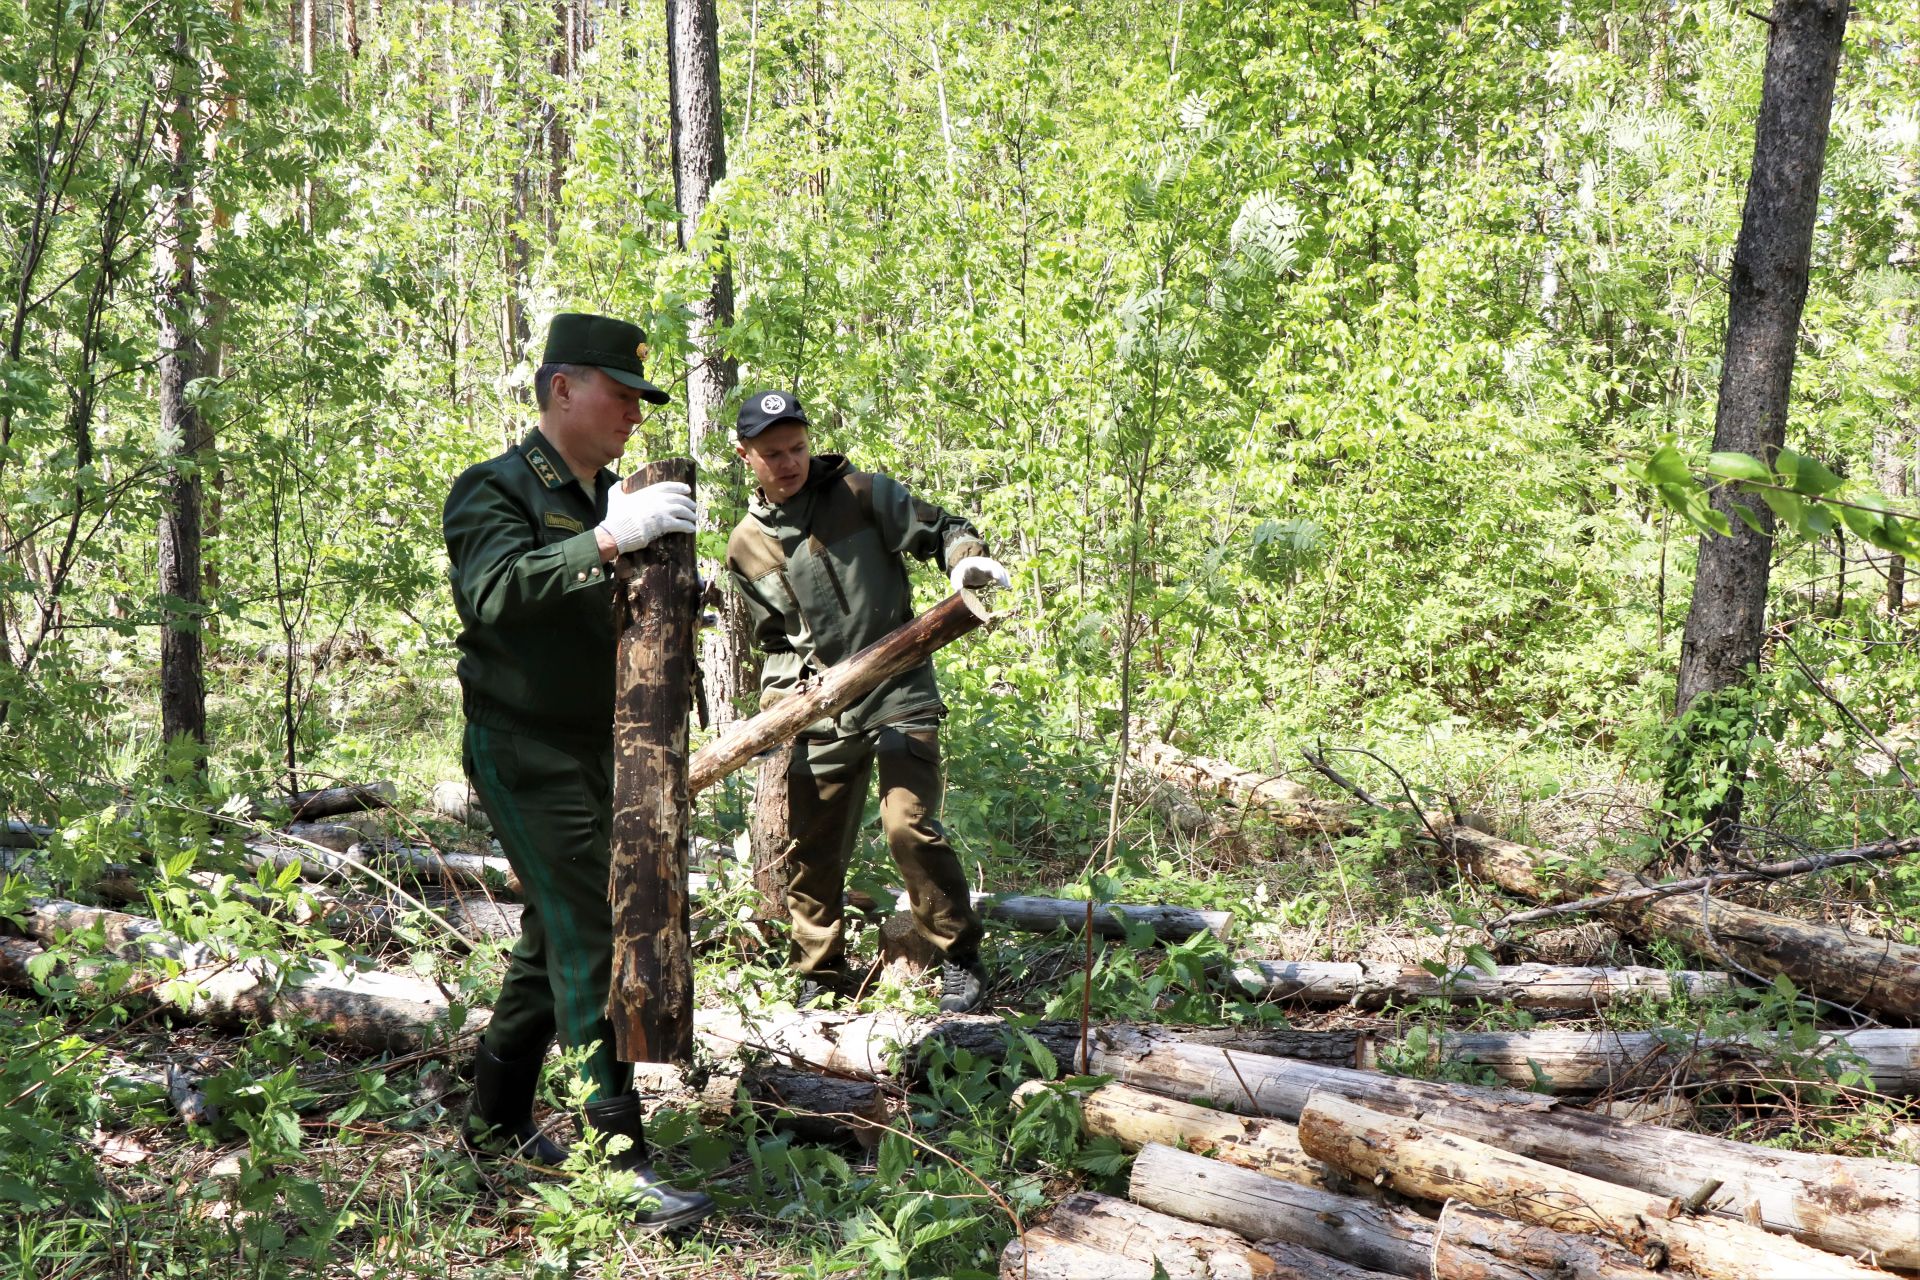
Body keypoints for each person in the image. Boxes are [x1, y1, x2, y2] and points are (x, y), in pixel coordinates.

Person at [442, 312, 712, 1231]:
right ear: (563, 389)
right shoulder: (496, 489)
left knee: (551, 935)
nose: (635, 412)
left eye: (641, 397)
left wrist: (671, 596)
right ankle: (619, 1164)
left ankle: (496, 1118)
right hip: (524, 748)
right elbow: (492, 594)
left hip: (603, 746)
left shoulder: (615, 498)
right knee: (592, 926)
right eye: (620, 392)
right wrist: (607, 541)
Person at [725, 389, 1010, 1015]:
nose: (790, 462)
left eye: (797, 447)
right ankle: (819, 974)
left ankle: (959, 957)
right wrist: (786, 695)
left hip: (898, 686)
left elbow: (946, 531)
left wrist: (966, 562)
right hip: (820, 707)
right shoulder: (746, 545)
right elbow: (771, 642)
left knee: (906, 822)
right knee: (812, 844)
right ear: (746, 455)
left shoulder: (861, 494)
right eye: (773, 453)